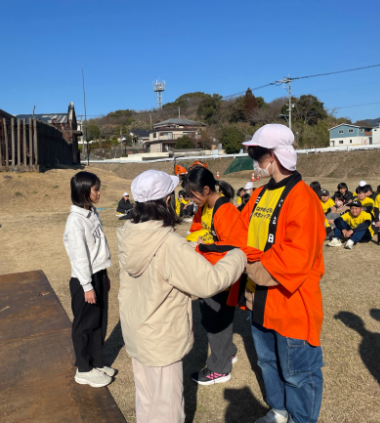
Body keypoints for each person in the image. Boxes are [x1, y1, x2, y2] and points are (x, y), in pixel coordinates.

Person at [214, 124, 325, 423]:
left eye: (257, 155)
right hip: (258, 301)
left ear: (274, 156)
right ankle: (279, 410)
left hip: (290, 303)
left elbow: (294, 259)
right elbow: (239, 233)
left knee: (298, 373)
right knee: (267, 362)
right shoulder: (260, 195)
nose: (254, 161)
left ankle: (300, 419)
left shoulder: (304, 199)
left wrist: (244, 263)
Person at [117, 169, 245, 423]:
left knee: (146, 399)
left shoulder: (129, 234)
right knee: (167, 410)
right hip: (161, 341)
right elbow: (209, 282)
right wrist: (238, 255)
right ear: (167, 201)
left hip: (137, 333)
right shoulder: (169, 244)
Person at [180, 166, 241, 386]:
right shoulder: (205, 207)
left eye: (193, 195)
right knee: (210, 316)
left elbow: (232, 248)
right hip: (209, 271)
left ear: (206, 190)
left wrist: (201, 247)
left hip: (222, 276)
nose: (191, 200)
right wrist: (194, 243)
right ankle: (227, 351)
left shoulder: (226, 211)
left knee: (216, 320)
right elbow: (196, 230)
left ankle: (219, 369)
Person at [63, 171, 114, 388]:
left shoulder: (91, 213)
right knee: (84, 325)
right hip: (84, 280)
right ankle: (83, 369)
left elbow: (98, 248)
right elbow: (79, 257)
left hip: (98, 274)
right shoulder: (75, 221)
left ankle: (96, 362)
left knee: (98, 322)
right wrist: (87, 286)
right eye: (96, 189)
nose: (99, 193)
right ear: (84, 191)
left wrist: (104, 275)